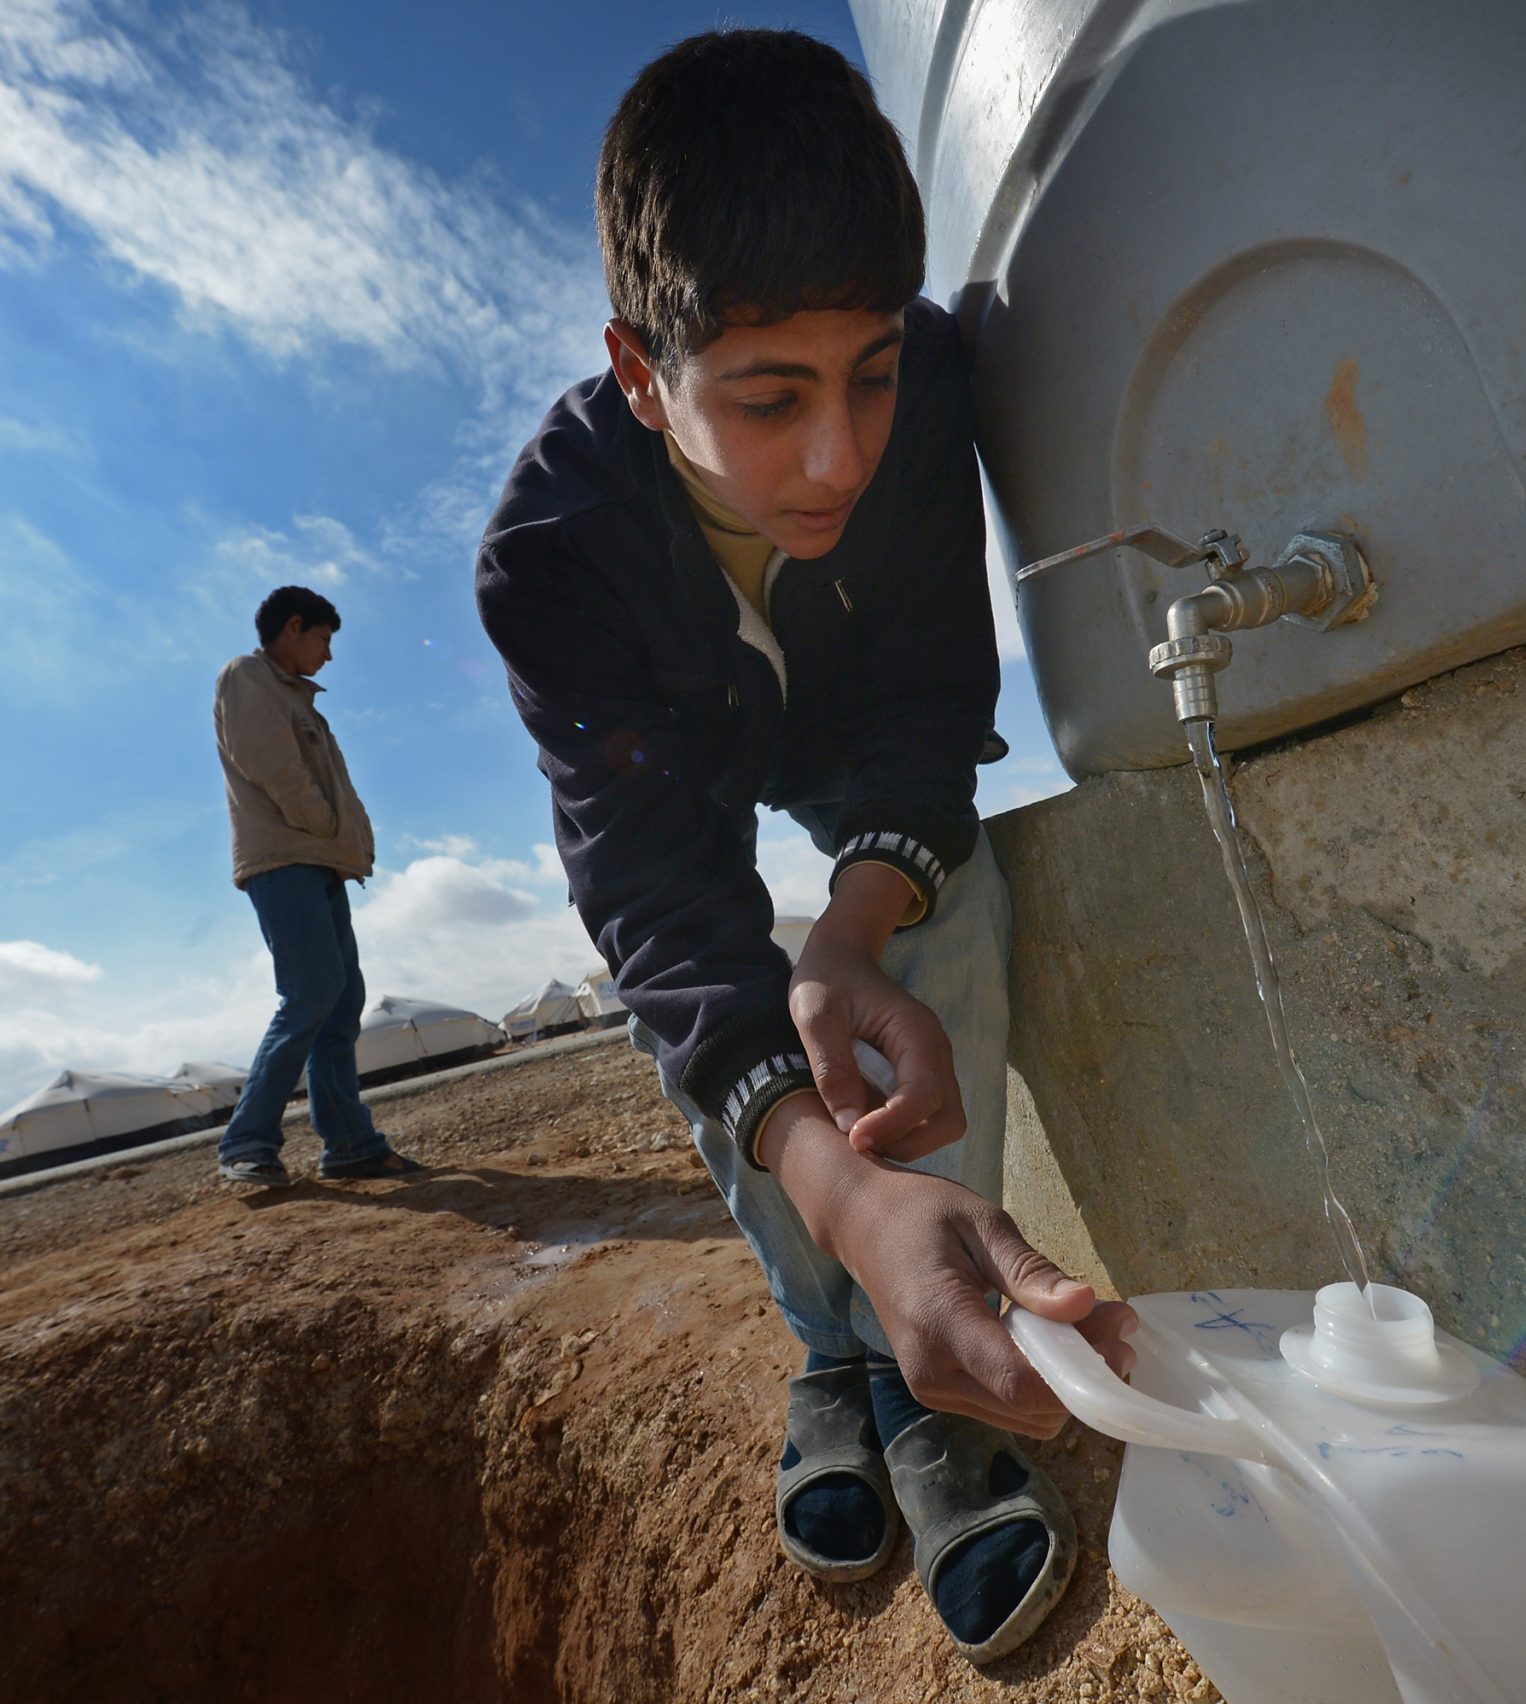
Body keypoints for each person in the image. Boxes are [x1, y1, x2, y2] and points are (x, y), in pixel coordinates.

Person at [475, 30, 1136, 1664]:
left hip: (851, 743)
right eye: (768, 400)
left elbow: (931, 707)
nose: (839, 452)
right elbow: (662, 907)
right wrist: (832, 1182)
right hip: (690, 761)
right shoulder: (552, 557)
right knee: (727, 1025)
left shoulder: (924, 404)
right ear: (642, 373)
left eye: (872, 375)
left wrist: (854, 927)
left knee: (938, 918)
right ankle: (839, 1350)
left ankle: (939, 1371)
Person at [211, 584, 423, 1187]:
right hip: (284, 859)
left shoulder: (300, 700)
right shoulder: (248, 677)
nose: (328, 655)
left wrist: (342, 842)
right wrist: (326, 825)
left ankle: (350, 1144)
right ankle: (246, 1142)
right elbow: (272, 764)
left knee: (340, 1000)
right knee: (311, 992)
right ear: (293, 626)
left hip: (317, 859)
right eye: (324, 640)